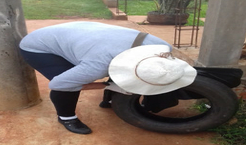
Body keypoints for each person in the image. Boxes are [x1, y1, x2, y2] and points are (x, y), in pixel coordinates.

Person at [19, 21, 196, 134]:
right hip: (39, 47)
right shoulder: (98, 65)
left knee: (120, 73)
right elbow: (58, 83)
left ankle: (109, 102)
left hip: (80, 35)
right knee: (68, 85)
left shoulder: (163, 49)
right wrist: (109, 85)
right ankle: (66, 118)